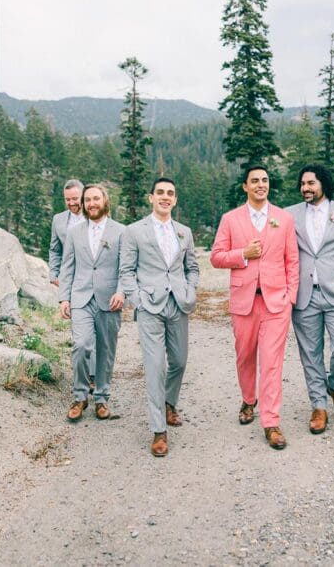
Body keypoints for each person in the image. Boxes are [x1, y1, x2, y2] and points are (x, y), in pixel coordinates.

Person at [210, 165, 298, 450]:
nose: (261, 184)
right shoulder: (230, 219)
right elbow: (216, 257)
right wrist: (243, 255)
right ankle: (249, 399)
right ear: (245, 187)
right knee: (245, 356)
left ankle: (271, 421)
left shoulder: (283, 219)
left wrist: (290, 297)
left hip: (276, 303)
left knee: (272, 363)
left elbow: (292, 261)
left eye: (265, 180)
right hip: (243, 301)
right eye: (255, 181)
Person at [119, 178, 198, 457]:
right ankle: (159, 430)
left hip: (178, 303)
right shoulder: (133, 231)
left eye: (171, 194)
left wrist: (190, 291)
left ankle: (169, 402)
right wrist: (137, 299)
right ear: (150, 197)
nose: (165, 197)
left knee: (179, 361)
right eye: (160, 193)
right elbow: (126, 271)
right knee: (155, 367)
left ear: (175, 200)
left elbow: (192, 267)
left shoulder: (184, 232)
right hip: (149, 307)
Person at [285, 164, 334, 434]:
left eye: (311, 183)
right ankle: (318, 406)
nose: (305, 188)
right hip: (303, 296)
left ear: (323, 184)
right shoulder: (289, 215)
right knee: (311, 355)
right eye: (302, 184)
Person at [58, 184, 124, 422]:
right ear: (83, 204)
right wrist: (64, 297)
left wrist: (122, 292)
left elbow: (127, 268)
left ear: (105, 200)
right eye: (88, 200)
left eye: (96, 198)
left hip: (110, 300)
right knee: (82, 345)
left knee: (106, 352)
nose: (92, 203)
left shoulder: (121, 231)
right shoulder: (75, 232)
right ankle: (79, 396)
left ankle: (102, 399)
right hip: (81, 297)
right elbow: (67, 267)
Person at [48, 179, 94, 387]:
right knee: (80, 332)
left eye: (75, 198)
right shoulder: (59, 220)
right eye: (68, 200)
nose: (72, 203)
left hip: (94, 280)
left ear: (83, 196)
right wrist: (54, 274)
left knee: (95, 330)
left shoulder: (96, 215)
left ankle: (93, 374)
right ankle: (85, 376)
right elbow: (55, 249)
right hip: (71, 281)